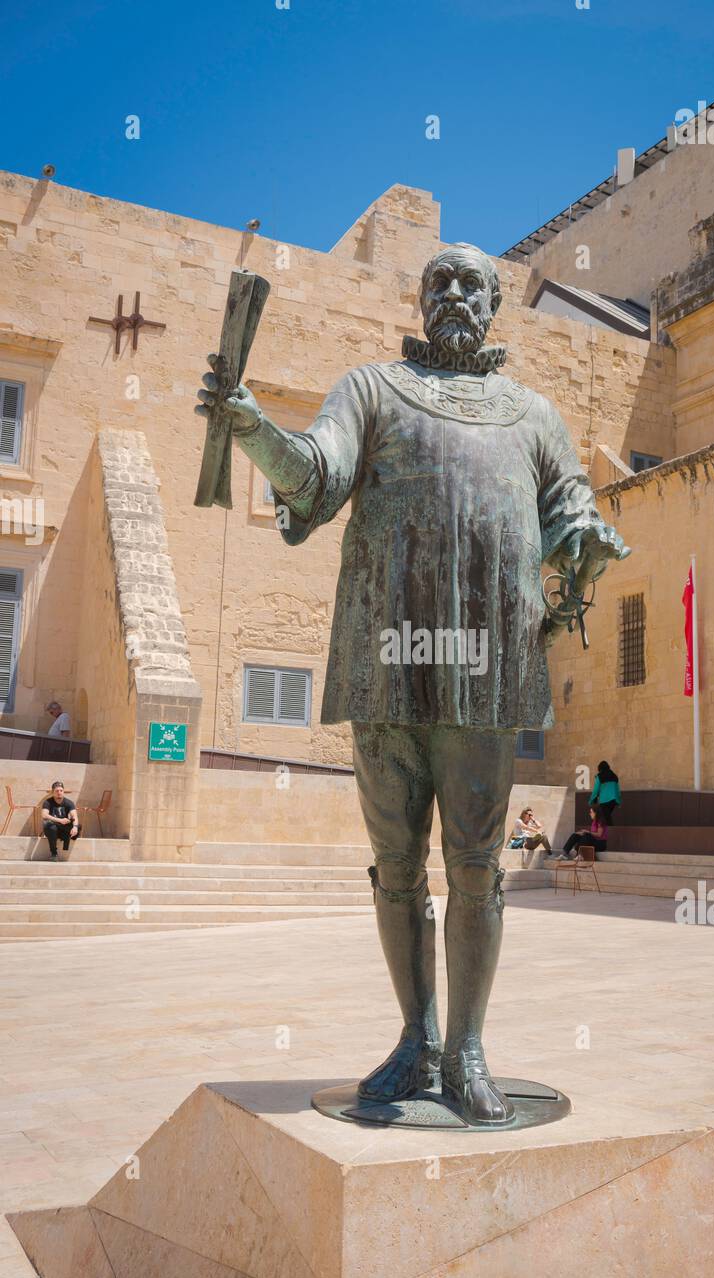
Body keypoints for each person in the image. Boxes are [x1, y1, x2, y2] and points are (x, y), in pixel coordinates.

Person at [197, 242, 628, 1125]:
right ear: (423, 298)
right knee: (396, 865)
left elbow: (571, 508)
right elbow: (315, 475)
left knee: (475, 868)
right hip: (388, 654)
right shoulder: (369, 387)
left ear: (497, 300)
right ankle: (414, 1038)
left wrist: (583, 545)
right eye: (440, 281)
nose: (456, 293)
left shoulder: (535, 414)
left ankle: (467, 1050)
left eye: (472, 282)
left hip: (490, 664)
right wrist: (249, 429)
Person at [41, 781, 80, 859]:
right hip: (51, 828)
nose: (59, 792)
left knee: (78, 827)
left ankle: (66, 839)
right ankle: (54, 854)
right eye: (57, 791)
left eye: (61, 790)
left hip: (62, 829)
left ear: (63, 791)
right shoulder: (47, 802)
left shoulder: (69, 802)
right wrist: (60, 820)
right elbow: (44, 815)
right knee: (51, 827)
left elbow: (74, 816)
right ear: (53, 792)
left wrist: (75, 827)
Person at [589, 760, 621, 825]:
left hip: (604, 800)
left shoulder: (600, 776)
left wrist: (591, 801)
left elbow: (596, 790)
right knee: (606, 816)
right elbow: (618, 790)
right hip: (613, 801)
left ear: (600, 769)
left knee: (606, 818)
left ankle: (611, 832)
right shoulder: (614, 776)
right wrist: (619, 802)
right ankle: (607, 831)